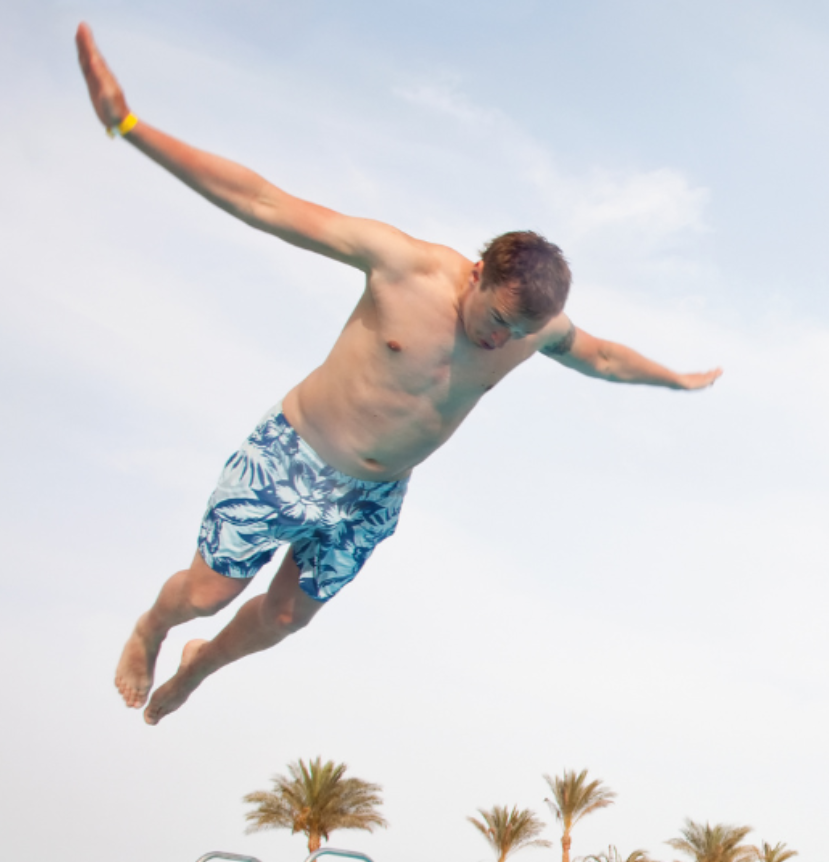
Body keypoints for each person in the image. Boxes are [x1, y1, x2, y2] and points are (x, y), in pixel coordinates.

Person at [76, 25, 722, 725]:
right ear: (478, 273)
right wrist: (130, 127)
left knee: (289, 617)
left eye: (519, 333)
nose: (499, 339)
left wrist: (674, 380)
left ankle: (201, 665)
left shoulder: (537, 331)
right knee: (205, 592)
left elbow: (601, 357)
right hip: (295, 454)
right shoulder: (401, 266)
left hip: (372, 495)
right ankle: (152, 630)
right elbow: (262, 202)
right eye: (497, 318)